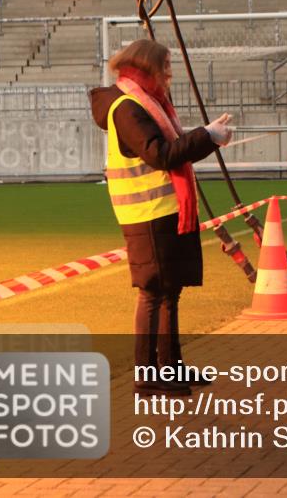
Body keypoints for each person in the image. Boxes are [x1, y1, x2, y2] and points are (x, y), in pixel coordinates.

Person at [90, 39, 233, 396]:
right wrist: (207, 137)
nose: (169, 74)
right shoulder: (129, 106)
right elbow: (162, 154)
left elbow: (165, 153)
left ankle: (169, 368)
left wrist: (206, 138)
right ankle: (147, 374)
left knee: (170, 292)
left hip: (163, 212)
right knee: (154, 293)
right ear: (148, 67)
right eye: (165, 66)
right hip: (149, 214)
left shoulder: (142, 101)